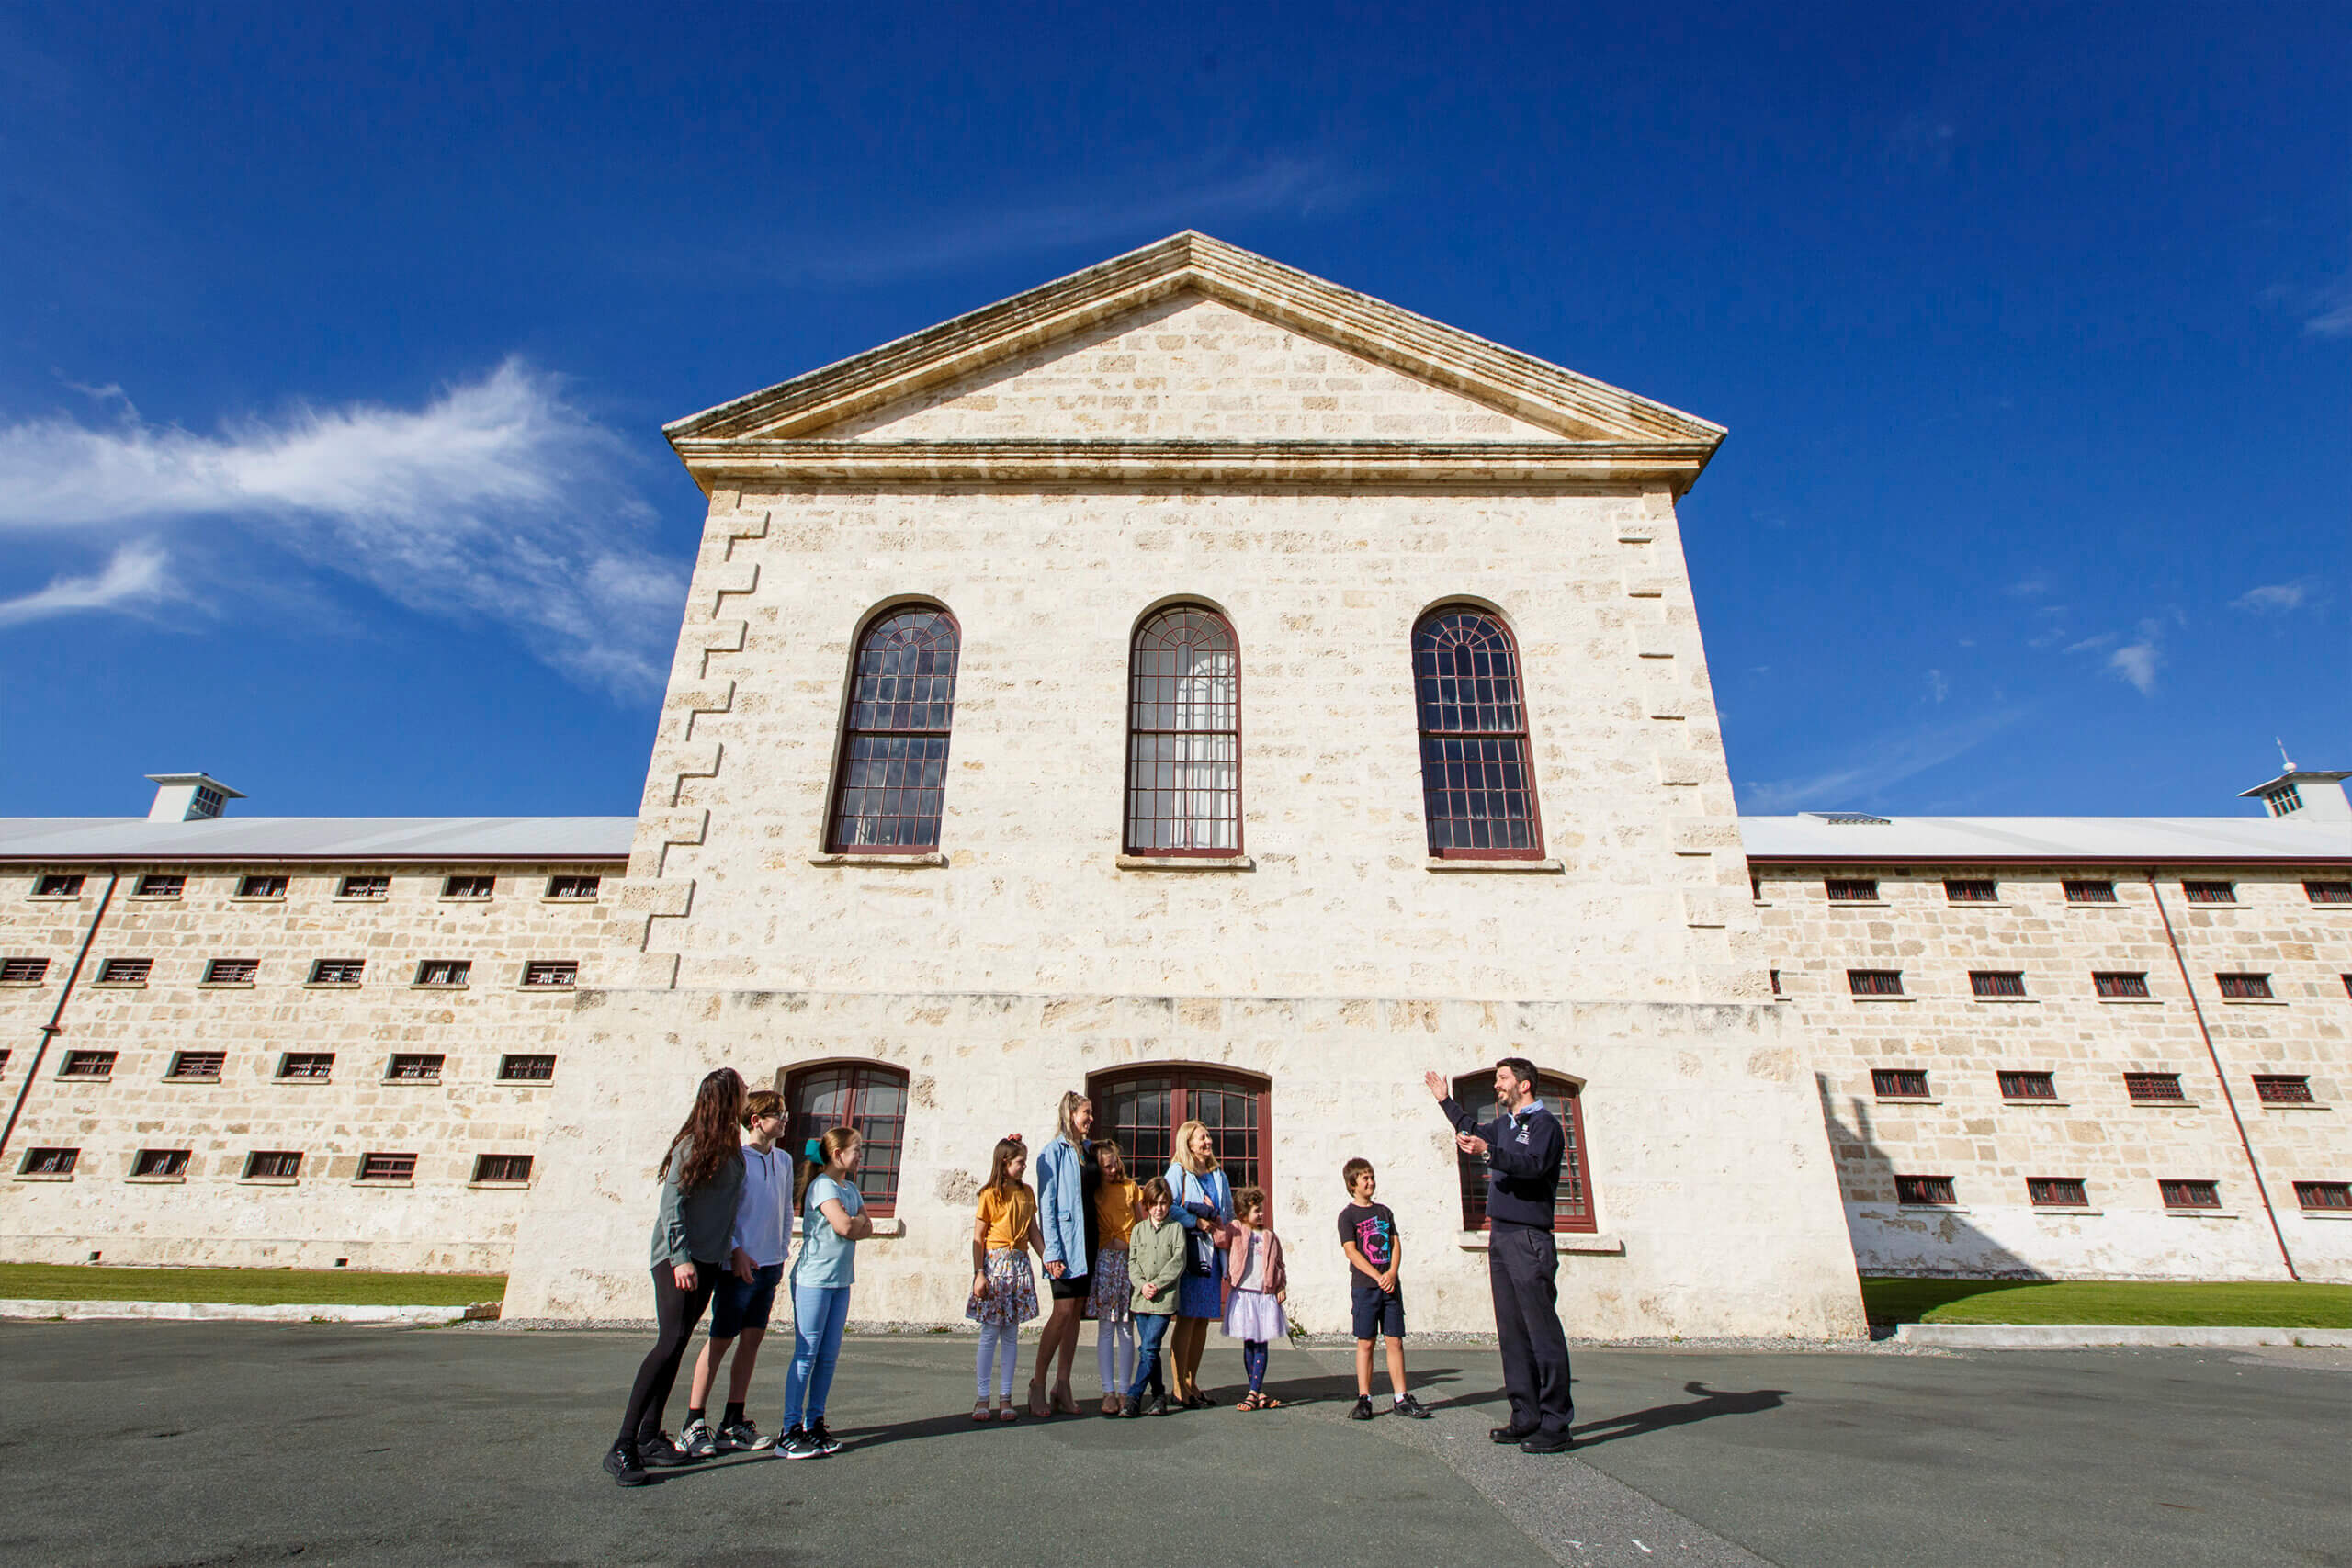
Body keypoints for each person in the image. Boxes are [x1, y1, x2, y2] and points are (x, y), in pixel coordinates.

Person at [605, 1067, 748, 1487]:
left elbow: (723, 1208)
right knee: (667, 1343)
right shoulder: (693, 1145)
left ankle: (650, 1437)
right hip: (677, 1261)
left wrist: (731, 1251)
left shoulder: (730, 1147)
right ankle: (623, 1445)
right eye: (740, 1091)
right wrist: (680, 1258)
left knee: (679, 1343)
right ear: (725, 1099)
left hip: (707, 1259)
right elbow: (672, 1207)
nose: (745, 1096)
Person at [1425, 1058, 1575, 1453]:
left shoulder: (1545, 1126)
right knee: (1511, 1331)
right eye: (1495, 1080)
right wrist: (1445, 1101)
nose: (1496, 1086)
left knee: (1541, 1331)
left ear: (1524, 1085)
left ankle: (1556, 1423)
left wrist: (1489, 1154)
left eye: (1503, 1079)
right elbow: (1471, 1131)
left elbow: (1533, 1166)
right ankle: (1525, 1416)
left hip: (1529, 1238)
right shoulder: (1504, 1126)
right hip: (1501, 1236)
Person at [680, 1088, 792, 1458]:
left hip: (770, 1265)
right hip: (738, 1266)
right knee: (721, 1339)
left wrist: (781, 1252)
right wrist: (735, 1251)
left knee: (752, 1340)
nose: (785, 1118)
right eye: (778, 1113)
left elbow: (785, 1210)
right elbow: (722, 1212)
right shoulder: (735, 1161)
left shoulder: (785, 1161)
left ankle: (734, 1419)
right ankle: (694, 1421)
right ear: (757, 1120)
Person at [779, 1125, 872, 1460]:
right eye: (856, 1149)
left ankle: (814, 1421)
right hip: (813, 1281)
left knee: (828, 1356)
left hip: (840, 1282)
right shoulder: (822, 1187)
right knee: (806, 1354)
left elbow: (867, 1226)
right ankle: (789, 1430)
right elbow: (846, 1226)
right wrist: (854, 1223)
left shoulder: (849, 1188)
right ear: (838, 1154)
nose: (860, 1155)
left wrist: (856, 1223)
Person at [1336, 1157, 1430, 1420]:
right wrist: (1377, 1276)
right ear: (1352, 1184)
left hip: (1390, 1286)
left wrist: (1391, 1273)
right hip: (1365, 1287)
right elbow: (1351, 1251)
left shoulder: (1384, 1212)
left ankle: (1401, 1396)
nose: (1371, 1182)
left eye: (1372, 1176)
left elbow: (1395, 1242)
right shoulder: (1348, 1216)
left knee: (1394, 1340)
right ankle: (1364, 1398)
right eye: (1365, 1178)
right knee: (1366, 1341)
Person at [965, 1134, 1044, 1422]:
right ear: (1005, 1162)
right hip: (995, 1264)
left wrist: (1046, 1257)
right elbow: (978, 1236)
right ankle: (982, 1396)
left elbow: (1033, 1230)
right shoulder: (989, 1194)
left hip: (1019, 1263)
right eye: (1020, 1161)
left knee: (1011, 1334)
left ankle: (1006, 1396)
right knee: (989, 1333)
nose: (1024, 1166)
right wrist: (979, 1274)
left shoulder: (1027, 1192)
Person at [1030, 1090, 1098, 1417]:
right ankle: (1038, 1383)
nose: (1091, 1118)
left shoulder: (1087, 1151)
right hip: (1066, 1244)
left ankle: (1064, 1383)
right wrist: (1052, 1252)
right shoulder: (1051, 1153)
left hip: (1088, 1241)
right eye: (1086, 1112)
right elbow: (1047, 1205)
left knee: (1076, 1313)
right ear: (1071, 1114)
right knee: (1062, 1311)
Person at [1162, 1119, 1235, 1408]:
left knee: (1203, 1320)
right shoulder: (1177, 1172)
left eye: (1208, 1137)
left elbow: (1227, 1211)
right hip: (1189, 1254)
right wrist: (1197, 1221)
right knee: (1187, 1318)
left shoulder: (1218, 1175)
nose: (1208, 1142)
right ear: (1188, 1143)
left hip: (1212, 1255)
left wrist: (1225, 1233)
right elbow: (1166, 1206)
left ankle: (1192, 1382)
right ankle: (1179, 1386)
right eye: (1202, 1138)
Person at [1120, 1176, 1184, 1417]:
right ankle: (1158, 1396)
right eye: (1155, 1203)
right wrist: (1142, 1285)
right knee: (1150, 1350)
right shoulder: (1138, 1231)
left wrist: (1157, 1285)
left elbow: (1177, 1262)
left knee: (1148, 1348)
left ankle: (1134, 1396)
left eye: (1164, 1203)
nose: (1159, 1208)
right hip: (1141, 1300)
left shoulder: (1176, 1230)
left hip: (1164, 1301)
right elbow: (1133, 1262)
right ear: (1147, 1205)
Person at [1088, 1138, 1144, 1415]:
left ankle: (1125, 1390)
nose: (1111, 1170)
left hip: (1127, 1261)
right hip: (1104, 1261)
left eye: (1113, 1164)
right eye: (1105, 1166)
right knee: (1106, 1329)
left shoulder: (1131, 1188)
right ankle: (1107, 1391)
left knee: (1126, 1328)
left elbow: (1141, 1223)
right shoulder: (1096, 1191)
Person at [1220, 1186, 1289, 1410]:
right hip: (1243, 1295)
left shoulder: (1269, 1236)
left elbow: (1279, 1264)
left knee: (1261, 1343)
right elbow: (1220, 1239)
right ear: (1242, 1215)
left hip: (1264, 1295)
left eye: (1261, 1210)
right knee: (1249, 1343)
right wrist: (1210, 1216)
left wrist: (1281, 1285)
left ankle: (1253, 1392)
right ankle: (1257, 1391)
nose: (1260, 1214)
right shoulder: (1236, 1229)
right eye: (1255, 1211)